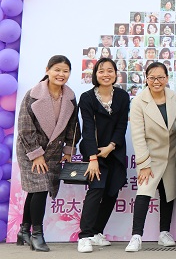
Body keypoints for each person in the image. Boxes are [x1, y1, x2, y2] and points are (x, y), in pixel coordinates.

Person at [16, 55, 80, 252]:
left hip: (53, 152)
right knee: (41, 188)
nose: (61, 74)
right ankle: (37, 235)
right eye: (57, 70)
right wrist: (36, 154)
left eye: (65, 71)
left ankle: (23, 230)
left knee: (36, 190)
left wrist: (68, 150)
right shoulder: (33, 94)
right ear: (47, 70)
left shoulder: (70, 97)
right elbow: (25, 127)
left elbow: (73, 127)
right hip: (30, 150)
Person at [126, 62, 176, 252]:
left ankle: (164, 232)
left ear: (167, 78)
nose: (156, 81)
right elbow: (137, 135)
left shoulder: (174, 97)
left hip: (172, 153)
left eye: (160, 77)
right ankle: (136, 236)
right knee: (144, 192)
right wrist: (144, 164)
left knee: (168, 193)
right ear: (146, 79)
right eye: (152, 77)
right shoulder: (138, 101)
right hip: (150, 156)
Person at [77, 58, 130, 253]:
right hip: (94, 151)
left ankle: (96, 232)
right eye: (101, 71)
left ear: (116, 74)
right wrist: (93, 157)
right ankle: (84, 236)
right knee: (96, 189)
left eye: (110, 70)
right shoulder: (87, 98)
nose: (106, 74)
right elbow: (88, 129)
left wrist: (111, 146)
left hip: (115, 150)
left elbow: (122, 125)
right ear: (95, 74)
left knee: (112, 190)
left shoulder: (123, 96)